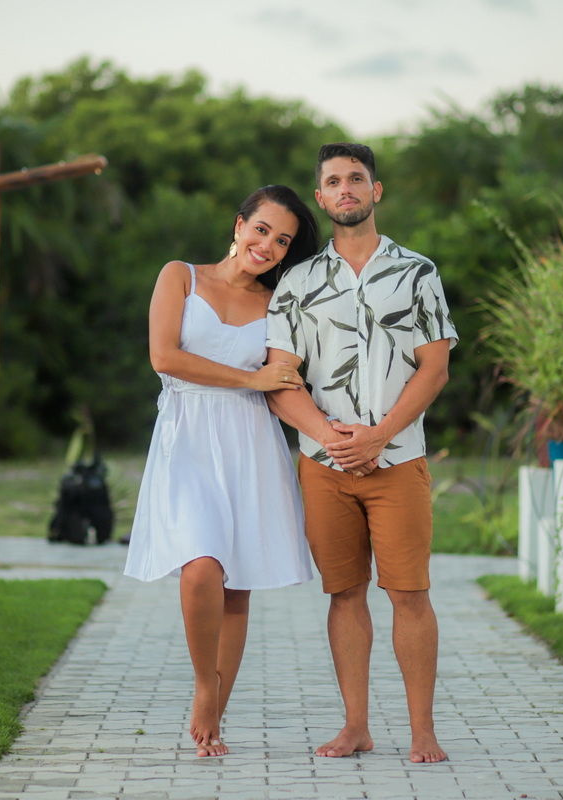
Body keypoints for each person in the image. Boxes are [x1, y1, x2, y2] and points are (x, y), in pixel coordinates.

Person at [266, 143, 457, 764]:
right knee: (344, 594)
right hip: (325, 467)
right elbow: (281, 380)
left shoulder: (417, 273)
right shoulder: (296, 282)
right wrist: (336, 440)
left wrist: (378, 436)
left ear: (376, 191)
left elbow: (434, 369)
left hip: (398, 461)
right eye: (333, 181)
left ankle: (423, 732)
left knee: (410, 594)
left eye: (356, 178)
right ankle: (356, 727)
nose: (345, 188)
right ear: (320, 197)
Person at [124, 185, 320, 758]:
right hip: (186, 436)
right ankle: (204, 683)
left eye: (282, 241)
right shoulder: (180, 277)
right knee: (201, 567)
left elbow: (285, 381)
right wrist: (249, 379)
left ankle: (215, 712)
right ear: (238, 226)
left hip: (249, 442)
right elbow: (164, 357)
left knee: (237, 586)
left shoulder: (281, 304)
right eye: (261, 230)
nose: (268, 245)